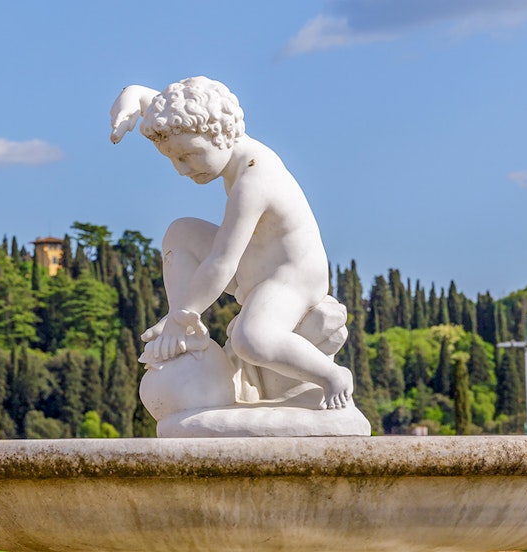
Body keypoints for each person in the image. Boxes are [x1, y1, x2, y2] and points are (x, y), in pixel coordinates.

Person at [110, 77, 354, 409]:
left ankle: (331, 376)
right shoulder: (217, 131)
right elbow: (179, 109)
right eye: (172, 159)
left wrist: (186, 313)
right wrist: (133, 96)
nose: (181, 169)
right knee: (179, 232)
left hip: (290, 276)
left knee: (251, 339)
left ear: (221, 135)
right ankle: (183, 325)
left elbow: (221, 263)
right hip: (256, 262)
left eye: (188, 156)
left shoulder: (255, 179)